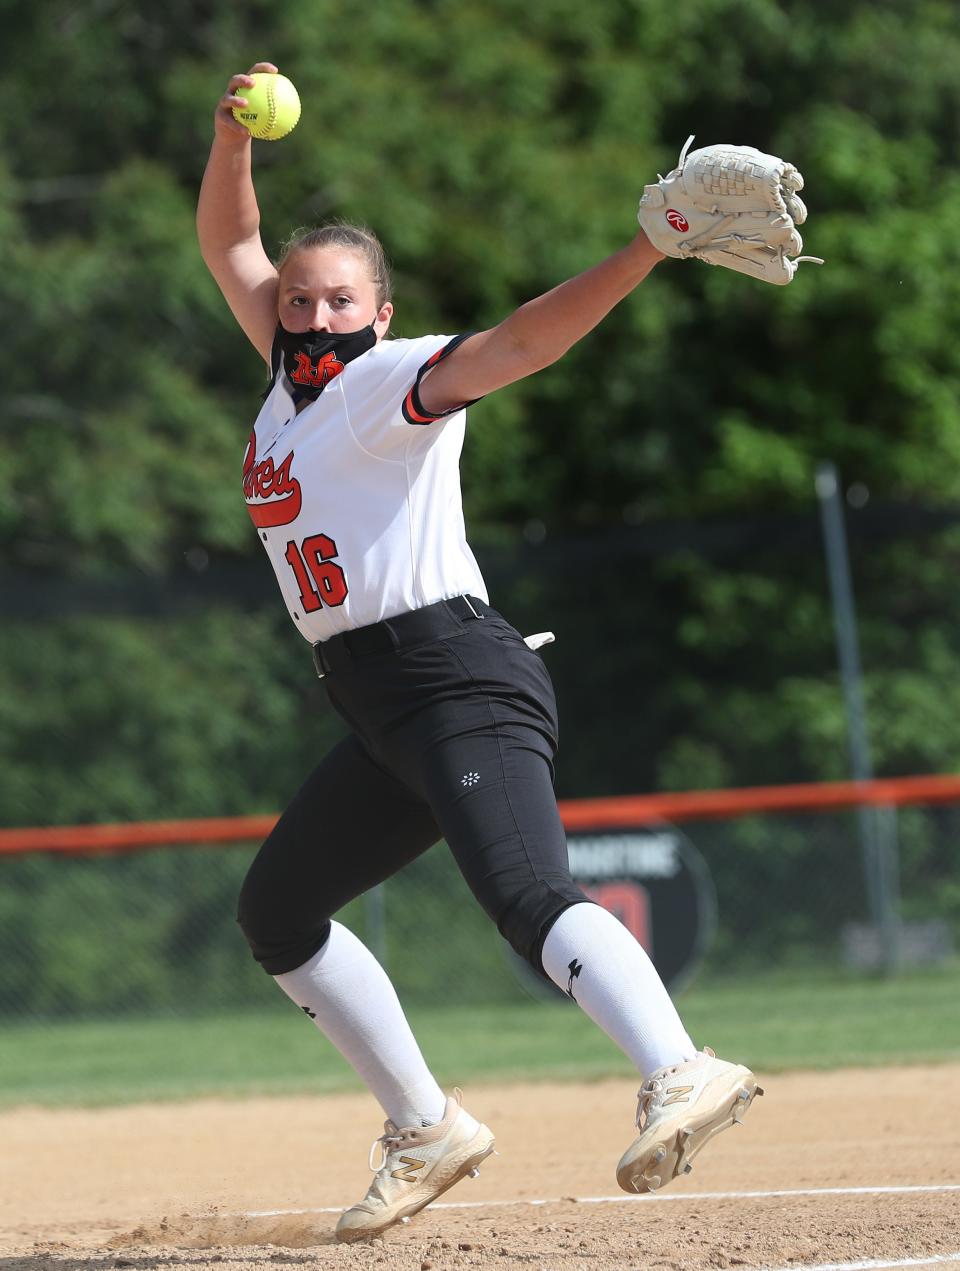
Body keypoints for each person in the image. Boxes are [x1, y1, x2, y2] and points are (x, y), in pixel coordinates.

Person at [197, 62, 764, 1244]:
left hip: (454, 672)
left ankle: (680, 1065)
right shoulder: (288, 392)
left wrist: (646, 247)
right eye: (299, 302)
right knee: (280, 909)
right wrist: (230, 136)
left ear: (382, 314)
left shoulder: (388, 381)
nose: (312, 318)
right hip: (374, 703)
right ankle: (424, 1125)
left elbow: (516, 346)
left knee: (523, 893)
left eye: (339, 301)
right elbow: (231, 240)